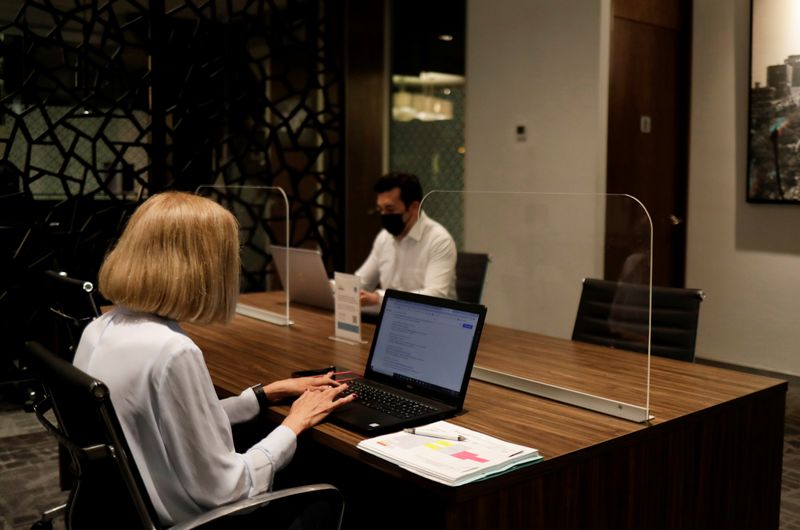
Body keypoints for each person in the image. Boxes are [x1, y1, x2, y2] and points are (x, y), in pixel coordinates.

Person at [73, 191, 355, 528]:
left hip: (124, 509)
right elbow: (229, 490)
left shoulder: (100, 328)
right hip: (198, 520)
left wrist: (260, 396)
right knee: (340, 487)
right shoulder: (172, 352)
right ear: (202, 267)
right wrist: (294, 423)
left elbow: (163, 419)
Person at [355, 172, 457, 308]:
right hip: (392, 320)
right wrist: (332, 287)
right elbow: (362, 282)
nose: (384, 215)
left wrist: (379, 298)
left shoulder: (439, 240)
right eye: (380, 209)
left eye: (390, 209)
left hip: (434, 321)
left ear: (414, 207)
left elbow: (435, 295)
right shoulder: (384, 237)